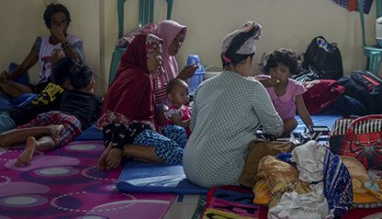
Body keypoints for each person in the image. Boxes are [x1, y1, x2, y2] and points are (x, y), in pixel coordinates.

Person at [183, 21, 283, 188]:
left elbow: (193, 127)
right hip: (218, 174)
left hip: (189, 168)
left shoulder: (203, 86)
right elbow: (275, 129)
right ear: (248, 60)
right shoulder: (253, 87)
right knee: (278, 157)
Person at [96, 33, 186, 171]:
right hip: (125, 135)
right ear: (143, 54)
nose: (160, 59)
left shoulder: (143, 74)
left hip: (136, 129)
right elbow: (122, 114)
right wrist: (117, 147)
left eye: (160, 54)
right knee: (177, 154)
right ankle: (126, 151)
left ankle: (138, 153)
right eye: (155, 54)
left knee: (179, 132)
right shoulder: (138, 77)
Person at [0, 62, 102, 166]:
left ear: (69, 83)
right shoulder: (96, 100)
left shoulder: (65, 93)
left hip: (52, 114)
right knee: (54, 139)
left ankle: (44, 129)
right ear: (92, 84)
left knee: (3, 139)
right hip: (72, 119)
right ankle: (37, 144)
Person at [0, 3, 84, 98]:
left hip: (58, 88)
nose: (60, 26)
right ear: (48, 25)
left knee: (58, 54)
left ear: (68, 23)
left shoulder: (74, 40)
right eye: (55, 23)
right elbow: (24, 67)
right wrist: (8, 77)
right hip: (40, 87)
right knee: (3, 86)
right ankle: (38, 100)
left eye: (63, 22)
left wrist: (62, 39)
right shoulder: (41, 42)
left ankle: (38, 101)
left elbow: (78, 62)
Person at [257, 48, 314, 137]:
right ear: (269, 70)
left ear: (290, 73)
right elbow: (249, 83)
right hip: (266, 122)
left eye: (283, 71)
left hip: (285, 123)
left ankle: (274, 134)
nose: (277, 74)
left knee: (293, 122)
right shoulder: (264, 82)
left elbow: (302, 110)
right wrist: (266, 83)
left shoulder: (295, 88)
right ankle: (269, 133)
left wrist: (312, 128)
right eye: (274, 70)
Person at [153, 20, 198, 105]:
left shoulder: (172, 60)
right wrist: (182, 77)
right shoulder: (155, 62)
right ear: (164, 38)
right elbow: (159, 99)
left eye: (181, 40)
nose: (179, 44)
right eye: (174, 40)